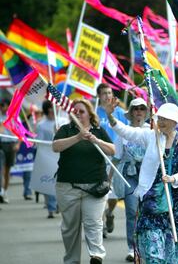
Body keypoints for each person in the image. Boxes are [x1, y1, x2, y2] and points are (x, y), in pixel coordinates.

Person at [106, 101, 178, 263]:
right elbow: (127, 132)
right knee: (153, 254)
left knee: (177, 256)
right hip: (151, 204)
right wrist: (110, 117)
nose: (160, 122)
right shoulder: (151, 136)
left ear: (174, 122)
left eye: (165, 119)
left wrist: (174, 178)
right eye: (159, 118)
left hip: (176, 206)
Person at [53, 99, 115, 264]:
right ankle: (72, 260)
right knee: (70, 228)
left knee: (93, 223)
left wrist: (96, 140)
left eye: (81, 111)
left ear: (89, 114)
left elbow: (112, 150)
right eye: (75, 111)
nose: (78, 114)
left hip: (95, 187)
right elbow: (56, 146)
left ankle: (96, 255)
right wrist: (78, 137)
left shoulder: (98, 130)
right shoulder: (66, 130)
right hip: (68, 186)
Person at [112, 98, 150, 262]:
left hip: (148, 175)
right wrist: (107, 180)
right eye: (136, 109)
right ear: (131, 112)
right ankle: (132, 247)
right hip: (130, 175)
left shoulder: (152, 130)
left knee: (149, 211)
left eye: (142, 108)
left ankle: (147, 245)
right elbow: (116, 157)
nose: (139, 111)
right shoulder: (123, 132)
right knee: (132, 211)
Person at [95, 83, 128, 236]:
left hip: (116, 157)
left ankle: (109, 212)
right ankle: (100, 224)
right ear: (99, 96)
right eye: (104, 93)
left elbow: (128, 132)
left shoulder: (120, 112)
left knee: (113, 195)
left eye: (109, 92)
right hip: (98, 156)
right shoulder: (94, 113)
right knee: (100, 191)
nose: (107, 95)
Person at [36, 100, 58, 218]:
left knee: (60, 182)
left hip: (60, 155)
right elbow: (39, 142)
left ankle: (59, 203)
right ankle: (50, 208)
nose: (52, 110)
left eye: (53, 107)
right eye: (49, 108)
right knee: (48, 181)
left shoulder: (63, 122)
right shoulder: (41, 125)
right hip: (46, 155)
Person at [0, 98, 20, 204]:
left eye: (3, 105)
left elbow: (20, 133)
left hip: (11, 144)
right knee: (1, 170)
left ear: (8, 106)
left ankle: (5, 191)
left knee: (7, 170)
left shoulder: (14, 117)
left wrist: (17, 144)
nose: (1, 108)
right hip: (1, 144)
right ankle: (1, 191)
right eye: (0, 105)